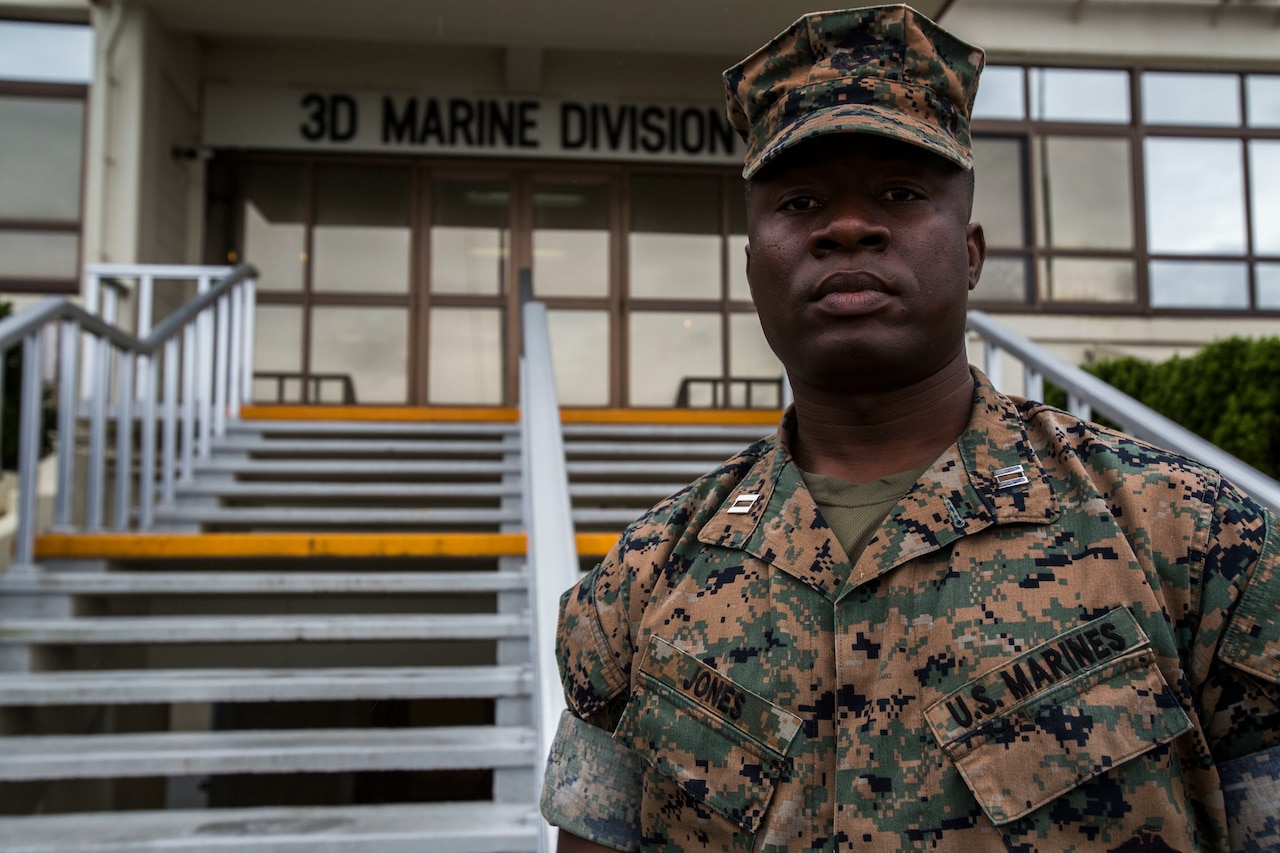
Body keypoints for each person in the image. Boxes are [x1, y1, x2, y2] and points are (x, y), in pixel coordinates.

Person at [540, 5, 1280, 851]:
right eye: (802, 200)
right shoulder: (641, 580)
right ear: (751, 266)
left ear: (969, 253)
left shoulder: (1197, 540)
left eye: (899, 192)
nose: (847, 226)